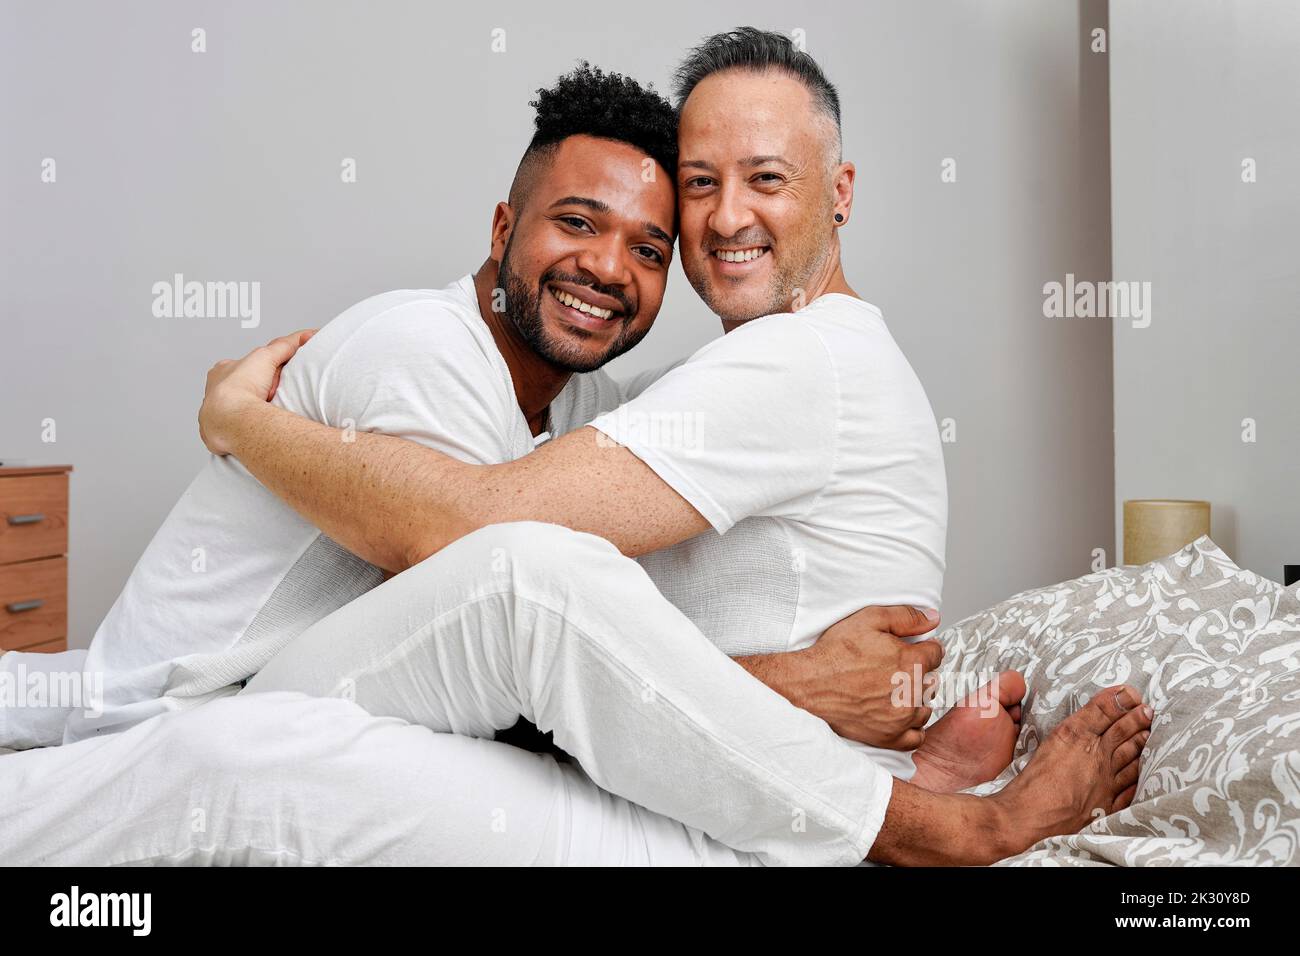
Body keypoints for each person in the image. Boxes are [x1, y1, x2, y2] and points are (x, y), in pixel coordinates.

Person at [193, 28, 1152, 865]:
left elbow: (475, 527)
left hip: (736, 826)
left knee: (482, 604)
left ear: (841, 191)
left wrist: (243, 421)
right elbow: (596, 646)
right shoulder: (728, 378)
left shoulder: (799, 361)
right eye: (701, 184)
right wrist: (800, 686)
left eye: (766, 178)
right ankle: (917, 792)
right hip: (768, 786)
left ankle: (942, 826)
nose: (727, 217)